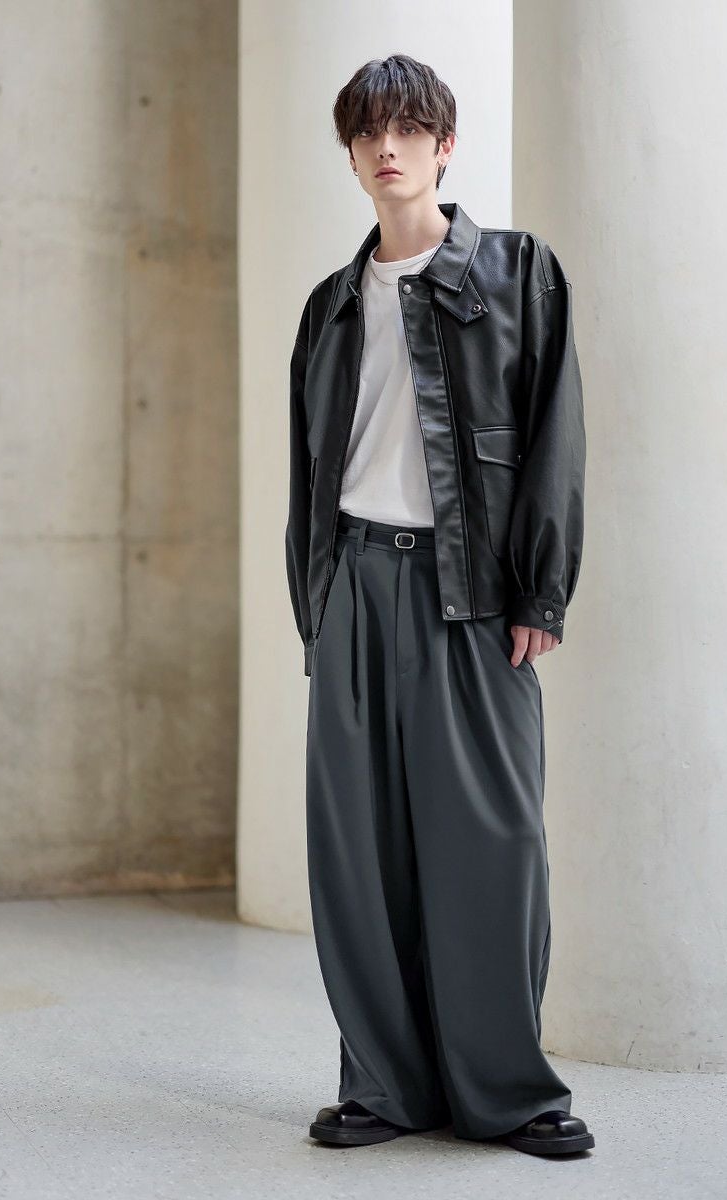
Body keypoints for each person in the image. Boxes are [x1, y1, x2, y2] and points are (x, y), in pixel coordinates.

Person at [285, 54, 592, 1157]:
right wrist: (316, 605)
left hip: (472, 596)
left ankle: (509, 1092)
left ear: (444, 146)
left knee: (495, 844)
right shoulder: (331, 307)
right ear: (351, 153)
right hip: (354, 589)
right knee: (360, 856)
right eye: (369, 132)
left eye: (410, 129)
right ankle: (384, 1087)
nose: (388, 148)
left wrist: (540, 587)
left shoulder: (517, 272)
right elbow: (309, 471)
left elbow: (554, 436)